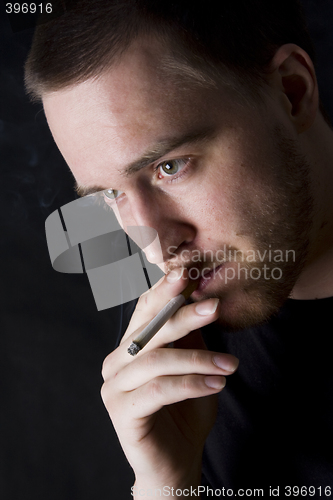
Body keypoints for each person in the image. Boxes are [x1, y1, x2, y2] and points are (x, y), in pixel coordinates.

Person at [25, 0, 333, 497]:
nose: (153, 245)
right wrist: (167, 486)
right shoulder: (165, 329)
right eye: (111, 195)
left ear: (291, 92)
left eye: (170, 166)